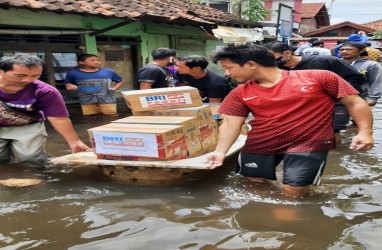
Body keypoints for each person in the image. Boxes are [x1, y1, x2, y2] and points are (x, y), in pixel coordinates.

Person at [207, 45, 373, 197]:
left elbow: (355, 102)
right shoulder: (239, 92)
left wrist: (365, 132)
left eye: (228, 68)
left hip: (308, 143)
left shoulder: (319, 77)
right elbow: (230, 124)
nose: (227, 74)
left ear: (251, 64)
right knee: (254, 183)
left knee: (294, 191)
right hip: (261, 142)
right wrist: (220, 151)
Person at [0, 55, 90, 166]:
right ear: (2, 71)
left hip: (28, 125)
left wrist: (74, 141)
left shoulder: (45, 91)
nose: (28, 80)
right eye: (20, 75)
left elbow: (58, 118)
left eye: (35, 76)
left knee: (30, 158)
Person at [266, 42, 365, 134]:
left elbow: (356, 78)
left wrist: (334, 91)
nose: (270, 62)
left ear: (287, 54)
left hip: (335, 102)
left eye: (272, 58)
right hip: (305, 105)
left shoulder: (326, 61)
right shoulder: (276, 70)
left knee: (332, 130)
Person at [339, 42, 382, 107]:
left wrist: (373, 98)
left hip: (360, 98)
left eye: (349, 49)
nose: (344, 51)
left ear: (361, 51)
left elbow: (376, 81)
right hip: (336, 98)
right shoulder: (334, 62)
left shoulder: (371, 65)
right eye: (342, 50)